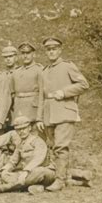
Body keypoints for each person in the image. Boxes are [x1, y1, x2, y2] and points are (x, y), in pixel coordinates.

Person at [40, 37, 89, 191]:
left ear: (60, 50)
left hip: (64, 111)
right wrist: (39, 117)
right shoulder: (44, 71)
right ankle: (68, 177)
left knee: (61, 147)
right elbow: (42, 95)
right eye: (48, 49)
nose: (51, 52)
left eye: (54, 49)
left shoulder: (67, 66)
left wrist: (64, 92)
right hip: (49, 113)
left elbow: (83, 85)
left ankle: (60, 181)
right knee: (53, 146)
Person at [0, 116, 55, 194]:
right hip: (27, 175)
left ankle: (10, 187)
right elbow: (13, 161)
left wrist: (26, 172)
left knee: (38, 171)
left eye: (24, 128)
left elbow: (38, 159)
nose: (21, 131)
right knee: (5, 174)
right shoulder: (20, 144)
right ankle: (35, 187)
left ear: (29, 128)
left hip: (44, 172)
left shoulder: (38, 141)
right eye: (18, 130)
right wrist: (5, 169)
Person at [9, 42, 44, 126]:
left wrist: (40, 117)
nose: (25, 56)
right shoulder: (16, 72)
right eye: (23, 53)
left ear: (33, 54)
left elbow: (42, 94)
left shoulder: (39, 70)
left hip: (33, 111)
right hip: (19, 111)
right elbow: (12, 94)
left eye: (28, 53)